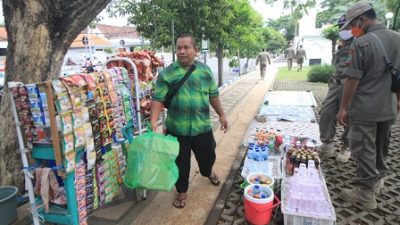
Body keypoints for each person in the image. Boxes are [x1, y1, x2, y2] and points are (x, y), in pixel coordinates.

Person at [150, 34, 229, 209]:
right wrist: (154, 120)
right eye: (179, 48)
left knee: (208, 155)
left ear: (196, 51)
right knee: (180, 163)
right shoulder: (167, 74)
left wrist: (222, 115)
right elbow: (158, 99)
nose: (182, 51)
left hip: (202, 127)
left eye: (187, 47)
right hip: (177, 129)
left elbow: (213, 95)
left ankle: (207, 171)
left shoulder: (205, 71)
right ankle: (182, 191)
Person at [337, 2, 400, 210]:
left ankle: (364, 193)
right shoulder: (397, 38)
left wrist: (344, 107)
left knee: (363, 147)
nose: (351, 30)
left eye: (352, 25)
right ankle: (378, 181)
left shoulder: (361, 43)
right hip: (388, 107)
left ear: (362, 20)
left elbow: (352, 80)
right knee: (381, 146)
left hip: (366, 108)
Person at [319, 15, 353, 163]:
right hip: (336, 85)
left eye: (345, 26)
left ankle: (346, 146)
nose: (342, 29)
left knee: (349, 117)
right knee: (326, 112)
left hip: (351, 86)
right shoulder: (342, 45)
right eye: (340, 27)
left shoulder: (360, 43)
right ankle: (327, 143)